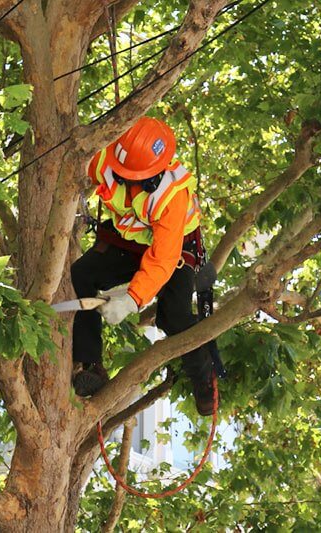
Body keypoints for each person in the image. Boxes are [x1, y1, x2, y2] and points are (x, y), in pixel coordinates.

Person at [71, 116, 215, 415]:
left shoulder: (172, 196)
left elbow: (162, 259)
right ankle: (90, 365)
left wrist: (133, 298)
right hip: (130, 242)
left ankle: (204, 377)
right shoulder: (105, 159)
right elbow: (74, 164)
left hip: (176, 249)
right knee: (80, 275)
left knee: (173, 317)